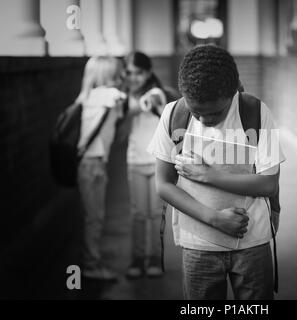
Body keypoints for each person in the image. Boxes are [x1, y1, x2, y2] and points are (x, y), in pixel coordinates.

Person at [148, 45, 285, 300]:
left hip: (252, 241)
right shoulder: (173, 115)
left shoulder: (255, 112)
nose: (203, 120)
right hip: (198, 244)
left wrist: (206, 175)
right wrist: (215, 218)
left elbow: (268, 183)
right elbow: (164, 185)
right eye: (196, 111)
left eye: (214, 113)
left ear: (233, 91)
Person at [76, 56, 126, 280]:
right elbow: (120, 96)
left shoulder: (90, 97)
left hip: (93, 162)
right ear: (108, 75)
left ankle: (91, 262)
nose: (121, 76)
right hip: (92, 163)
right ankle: (91, 266)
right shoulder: (104, 95)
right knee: (94, 217)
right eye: (117, 72)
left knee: (93, 215)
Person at [124, 52, 167, 278]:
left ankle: (154, 258)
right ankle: (137, 258)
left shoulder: (156, 93)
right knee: (138, 214)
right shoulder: (123, 97)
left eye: (138, 72)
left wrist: (150, 104)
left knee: (155, 213)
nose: (134, 77)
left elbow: (158, 103)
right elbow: (120, 134)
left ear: (148, 72)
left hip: (157, 162)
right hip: (135, 161)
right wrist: (128, 110)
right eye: (129, 72)